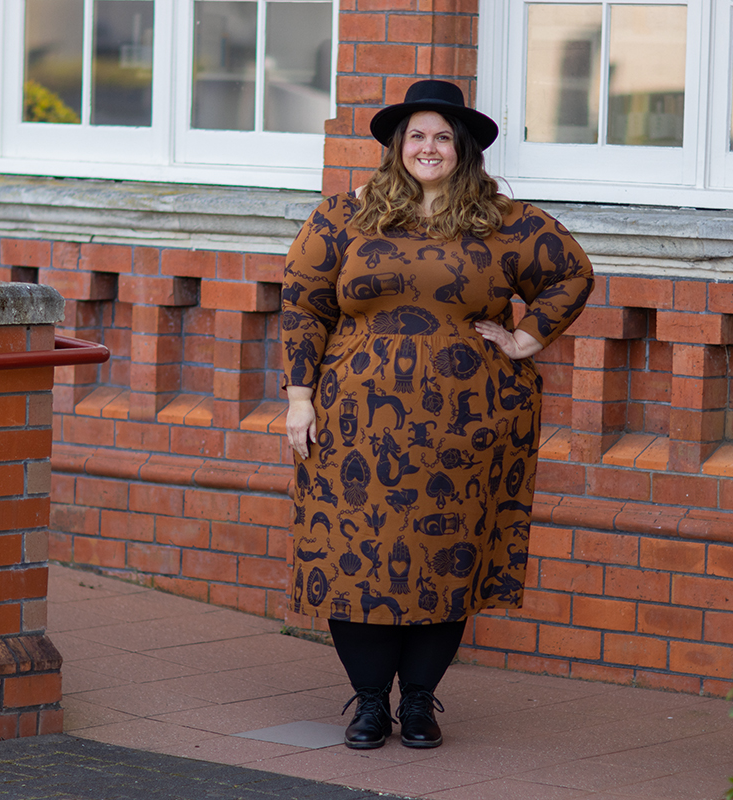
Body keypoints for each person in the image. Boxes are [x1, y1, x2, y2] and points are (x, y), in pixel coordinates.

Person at [281, 79, 594, 750]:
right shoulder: (343, 218)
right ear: (398, 146)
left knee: (446, 558)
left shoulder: (504, 222)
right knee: (351, 557)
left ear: (464, 150)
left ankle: (419, 703)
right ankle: (370, 703)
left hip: (468, 424)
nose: (429, 148)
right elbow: (304, 306)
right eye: (417, 135)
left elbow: (572, 273)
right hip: (354, 425)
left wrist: (525, 338)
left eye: (443, 137)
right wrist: (299, 398)